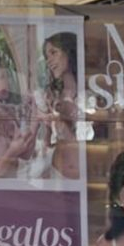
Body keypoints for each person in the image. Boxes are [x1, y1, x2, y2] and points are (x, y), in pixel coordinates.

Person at [39, 32, 82, 180]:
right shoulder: (51, 96)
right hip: (56, 174)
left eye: (53, 53)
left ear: (69, 52)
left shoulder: (87, 94)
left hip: (85, 178)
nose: (49, 61)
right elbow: (46, 143)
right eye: (47, 56)